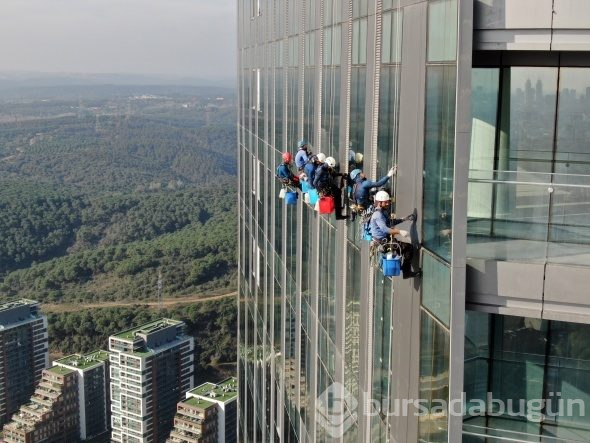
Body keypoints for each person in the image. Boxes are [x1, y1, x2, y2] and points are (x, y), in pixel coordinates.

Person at [370, 190, 421, 279]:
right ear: (380, 202)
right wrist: (399, 232)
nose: (388, 203)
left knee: (404, 248)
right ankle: (406, 272)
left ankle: (403, 267)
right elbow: (385, 229)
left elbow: (390, 222)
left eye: (388, 202)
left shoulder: (383, 212)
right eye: (386, 202)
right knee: (408, 248)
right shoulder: (378, 215)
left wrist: (404, 219)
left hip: (385, 240)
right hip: (383, 243)